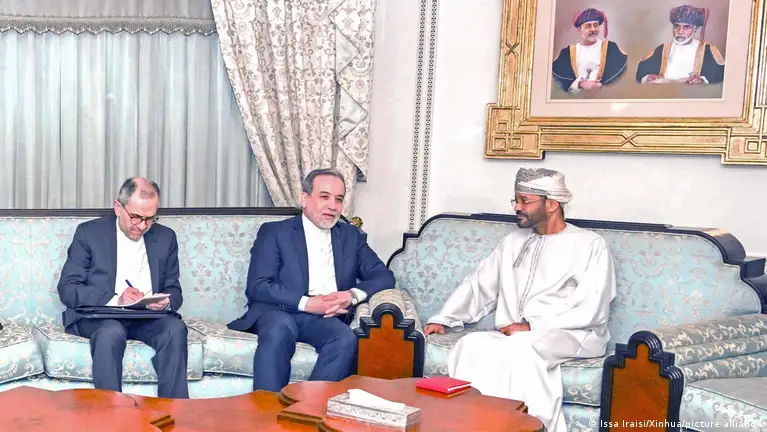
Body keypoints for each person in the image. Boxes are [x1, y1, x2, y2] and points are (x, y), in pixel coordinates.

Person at [423, 168, 617, 432]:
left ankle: (531, 426)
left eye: (525, 201)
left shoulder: (589, 244)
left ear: (551, 204)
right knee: (472, 344)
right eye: (515, 200)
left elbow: (592, 306)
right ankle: (476, 425)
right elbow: (480, 285)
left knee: (522, 348)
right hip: (517, 335)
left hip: (575, 333)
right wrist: (444, 318)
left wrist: (533, 326)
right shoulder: (512, 242)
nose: (517, 207)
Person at [228, 168, 395, 392]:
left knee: (345, 339)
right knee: (279, 330)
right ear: (304, 199)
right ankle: (267, 409)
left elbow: (384, 276)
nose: (333, 206)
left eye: (339, 199)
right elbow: (258, 286)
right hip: (279, 310)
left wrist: (351, 295)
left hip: (324, 317)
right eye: (324, 197)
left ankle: (306, 408)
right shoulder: (275, 232)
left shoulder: (351, 237)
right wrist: (307, 303)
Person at [57, 177, 189, 398]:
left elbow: (174, 289)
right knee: (110, 333)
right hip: (101, 316)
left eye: (150, 219)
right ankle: (111, 413)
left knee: (175, 329)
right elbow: (68, 288)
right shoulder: (89, 233)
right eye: (136, 217)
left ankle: (173, 411)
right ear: (118, 207)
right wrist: (116, 299)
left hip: (147, 317)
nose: (142, 226)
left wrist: (166, 301)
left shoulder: (166, 237)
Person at [636, 5, 724, 84]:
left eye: (686, 27)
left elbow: (718, 74)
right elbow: (642, 71)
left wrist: (702, 80)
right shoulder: (663, 49)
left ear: (695, 29)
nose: (680, 31)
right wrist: (647, 77)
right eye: (677, 26)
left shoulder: (707, 49)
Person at [551, 8, 628, 93]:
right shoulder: (566, 53)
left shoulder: (612, 49)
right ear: (579, 29)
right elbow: (558, 80)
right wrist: (580, 84)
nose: (593, 29)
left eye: (596, 25)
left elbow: (620, 76)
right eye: (588, 26)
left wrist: (600, 86)